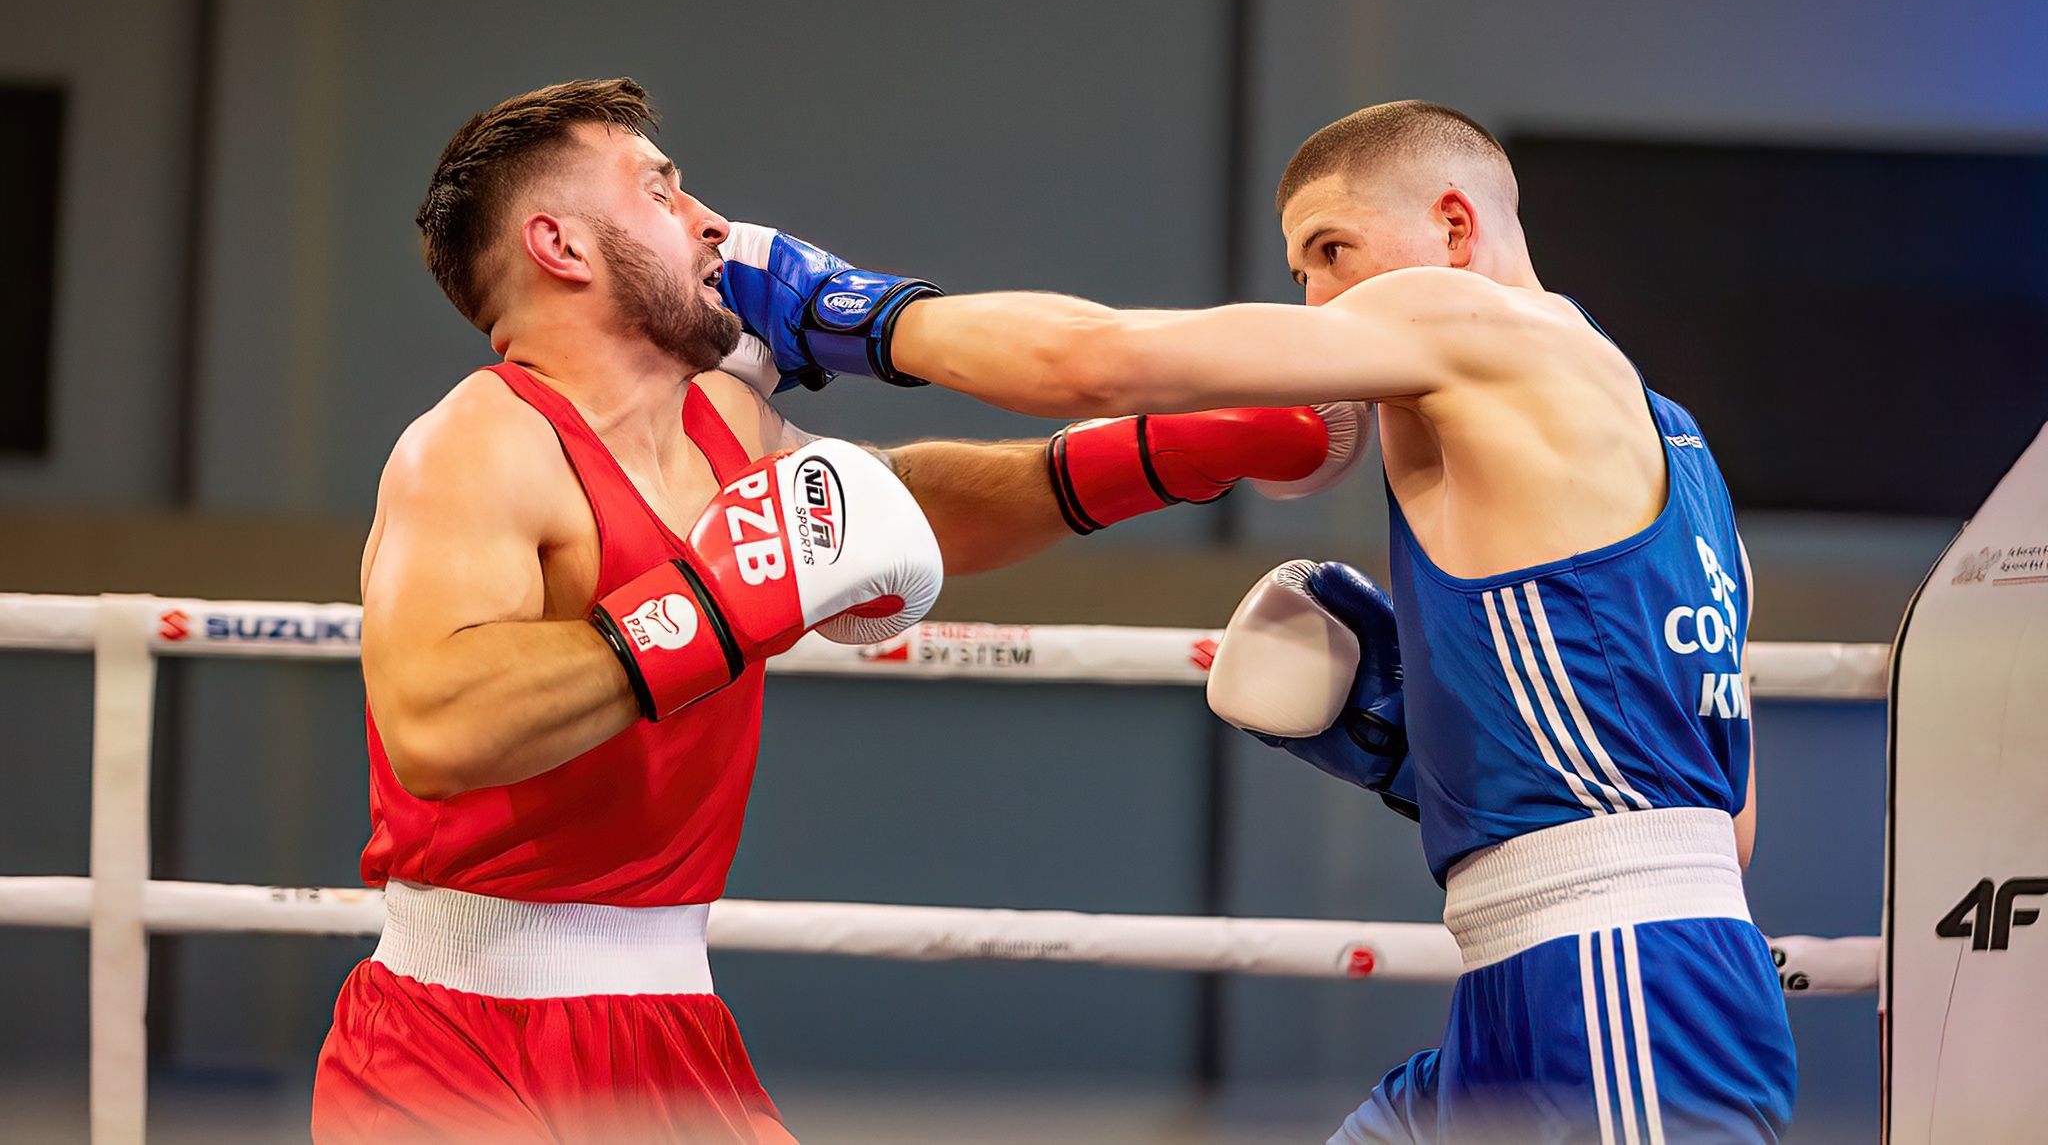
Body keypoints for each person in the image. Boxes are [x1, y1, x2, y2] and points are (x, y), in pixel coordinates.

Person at [309, 78, 1367, 1143]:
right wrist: (710, 611)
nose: (710, 221)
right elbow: (438, 726)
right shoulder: (479, 443)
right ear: (559, 246)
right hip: (459, 1040)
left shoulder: (724, 420)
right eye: (660, 193)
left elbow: (902, 513)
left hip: (667, 1024)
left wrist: (1171, 449)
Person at [719, 101, 1796, 1142]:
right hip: (1563, 977)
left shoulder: (1475, 321)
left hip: (1618, 992)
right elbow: (1718, 825)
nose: (1322, 301)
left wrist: (836, 308)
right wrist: (1422, 757)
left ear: (1453, 227)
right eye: (1302, 274)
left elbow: (1089, 362)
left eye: (1332, 251)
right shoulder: (1675, 447)